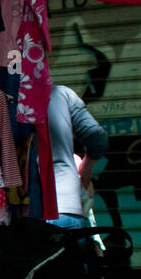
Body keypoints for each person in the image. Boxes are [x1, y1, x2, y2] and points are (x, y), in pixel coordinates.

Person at [46, 83, 108, 229]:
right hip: (64, 206)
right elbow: (98, 139)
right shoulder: (60, 94)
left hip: (19, 210)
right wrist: (86, 169)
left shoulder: (1, 100)